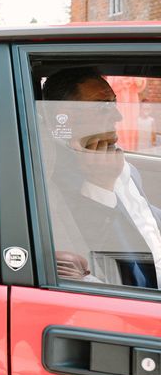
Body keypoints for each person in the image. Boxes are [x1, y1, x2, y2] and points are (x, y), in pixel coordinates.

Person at [42, 68, 161, 288]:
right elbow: (101, 255)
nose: (118, 116)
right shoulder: (53, 176)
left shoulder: (112, 156)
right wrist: (100, 186)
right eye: (103, 106)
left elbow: (143, 215)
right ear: (64, 116)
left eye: (113, 103)